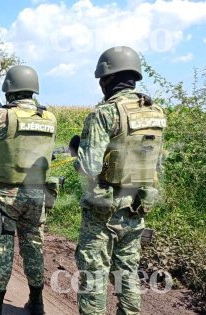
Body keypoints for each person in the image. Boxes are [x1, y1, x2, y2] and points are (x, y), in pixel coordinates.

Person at [73, 46, 166, 315]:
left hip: (103, 211)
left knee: (94, 276)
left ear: (107, 79)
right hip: (136, 207)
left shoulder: (104, 113)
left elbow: (89, 167)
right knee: (127, 272)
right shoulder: (156, 112)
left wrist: (76, 152)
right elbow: (155, 163)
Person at [0, 65, 57, 315]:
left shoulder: (0, 116)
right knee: (34, 247)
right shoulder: (49, 117)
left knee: (3, 250)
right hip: (38, 194)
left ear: (9, 89)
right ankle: (37, 304)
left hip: (6, 195)